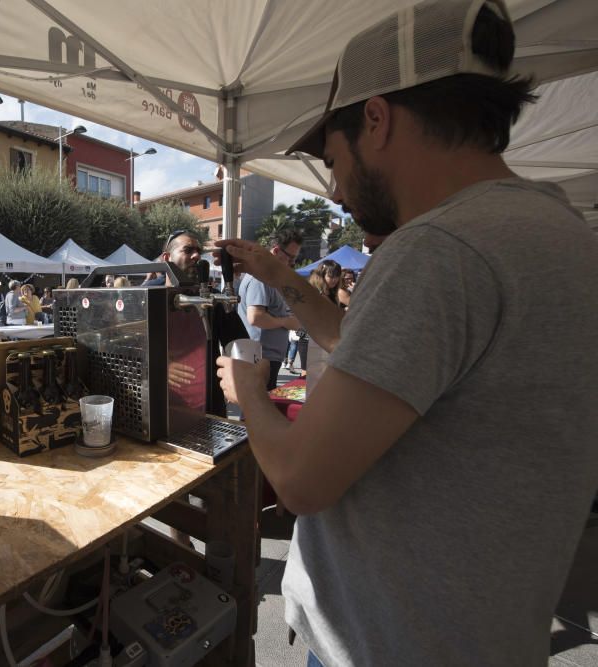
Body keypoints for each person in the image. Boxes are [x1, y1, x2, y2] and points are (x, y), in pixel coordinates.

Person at [214, 1, 598, 665]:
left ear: (377, 119)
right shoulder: (561, 233)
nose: (335, 189)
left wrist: (248, 391)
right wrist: (289, 280)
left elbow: (301, 479)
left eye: (334, 158)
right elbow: (391, 359)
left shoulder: (436, 249)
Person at [236, 229, 303, 391]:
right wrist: (288, 322)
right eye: (291, 257)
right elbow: (256, 317)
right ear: (276, 251)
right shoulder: (260, 278)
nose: (293, 263)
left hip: (265, 356)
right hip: (261, 357)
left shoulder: (268, 278)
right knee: (257, 408)